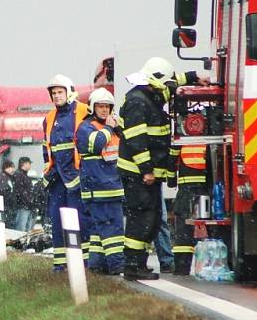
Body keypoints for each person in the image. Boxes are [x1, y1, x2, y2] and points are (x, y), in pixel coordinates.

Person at [117, 57, 206, 280]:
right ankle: (132, 267)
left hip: (148, 175)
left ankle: (139, 263)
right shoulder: (138, 102)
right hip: (138, 174)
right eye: (165, 85)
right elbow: (137, 141)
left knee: (153, 219)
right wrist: (146, 170)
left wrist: (195, 77)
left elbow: (172, 82)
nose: (169, 89)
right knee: (141, 219)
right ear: (155, 81)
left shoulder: (152, 94)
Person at [42, 74, 90, 270]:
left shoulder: (84, 111)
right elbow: (46, 148)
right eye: (53, 93)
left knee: (81, 220)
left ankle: (84, 262)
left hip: (78, 176)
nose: (56, 96)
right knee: (57, 221)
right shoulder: (49, 118)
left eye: (60, 92)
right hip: (57, 179)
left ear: (69, 91)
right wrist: (48, 171)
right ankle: (61, 265)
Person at [75, 87, 125, 275]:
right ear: (92, 108)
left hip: (111, 188)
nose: (104, 110)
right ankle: (117, 266)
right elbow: (95, 144)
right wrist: (110, 128)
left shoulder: (112, 128)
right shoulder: (85, 128)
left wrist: (118, 129)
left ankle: (96, 266)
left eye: (107, 106)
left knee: (99, 232)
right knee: (113, 231)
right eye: (100, 106)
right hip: (99, 191)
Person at [169, 144, 210, 275]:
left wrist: (171, 180)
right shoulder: (209, 136)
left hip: (187, 186)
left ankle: (182, 268)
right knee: (213, 225)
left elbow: (172, 158)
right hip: (210, 183)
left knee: (184, 228)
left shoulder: (184, 134)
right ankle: (214, 265)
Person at [12, 157, 34, 231]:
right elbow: (20, 192)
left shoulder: (24, 175)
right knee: (21, 230)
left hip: (27, 206)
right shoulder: (19, 175)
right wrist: (29, 202)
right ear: (24, 164)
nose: (30, 165)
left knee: (26, 230)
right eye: (29, 163)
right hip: (22, 207)